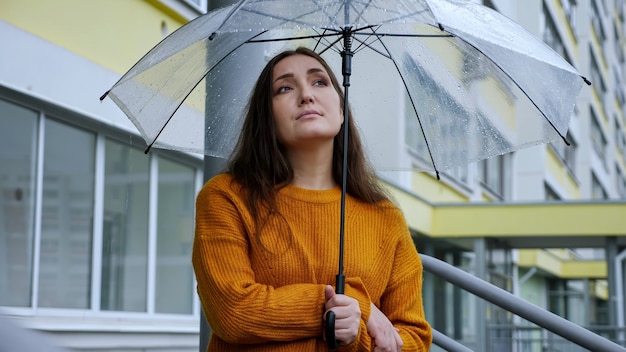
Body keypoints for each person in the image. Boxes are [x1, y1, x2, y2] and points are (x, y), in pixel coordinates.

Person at [192, 46, 432, 351]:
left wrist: (356, 334)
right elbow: (233, 313)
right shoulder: (225, 198)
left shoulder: (385, 217)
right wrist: (357, 304)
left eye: (319, 82)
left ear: (342, 110)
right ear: (267, 116)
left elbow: (414, 338)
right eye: (285, 88)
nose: (306, 95)